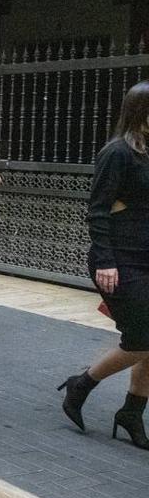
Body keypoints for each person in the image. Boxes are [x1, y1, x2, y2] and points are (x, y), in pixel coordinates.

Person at [59, 80, 149, 451]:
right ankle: (82, 384)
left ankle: (131, 412)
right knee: (142, 338)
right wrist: (106, 261)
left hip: (145, 256)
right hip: (120, 260)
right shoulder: (117, 153)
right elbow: (97, 210)